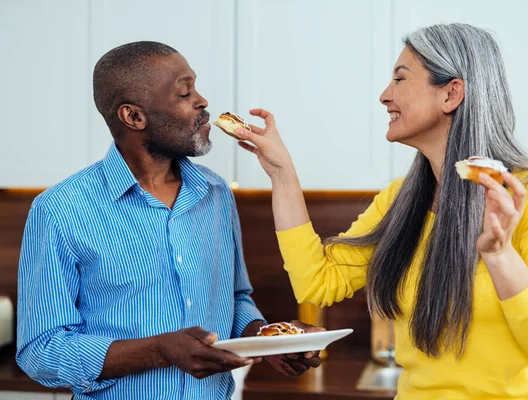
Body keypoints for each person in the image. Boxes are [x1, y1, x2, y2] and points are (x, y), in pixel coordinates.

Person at [235, 24, 528, 399]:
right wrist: (282, 173)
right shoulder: (401, 200)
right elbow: (317, 281)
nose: (384, 96)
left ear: (451, 94)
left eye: (400, 79)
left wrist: (500, 256)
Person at [16, 41, 321, 400]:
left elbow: (234, 300)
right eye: (184, 92)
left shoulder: (215, 193)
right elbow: (42, 350)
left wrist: (269, 338)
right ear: (134, 117)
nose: (202, 101)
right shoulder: (59, 210)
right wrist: (159, 351)